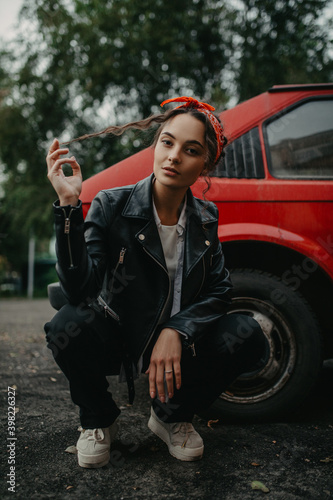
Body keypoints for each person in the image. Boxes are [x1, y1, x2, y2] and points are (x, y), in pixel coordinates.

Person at [44, 96, 265, 468]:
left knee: (246, 332)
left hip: (179, 347)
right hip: (120, 336)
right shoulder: (111, 205)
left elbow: (219, 289)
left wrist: (177, 330)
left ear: (204, 164)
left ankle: (170, 415)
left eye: (190, 149)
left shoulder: (205, 217)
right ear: (156, 144)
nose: (174, 156)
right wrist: (68, 208)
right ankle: (98, 419)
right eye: (167, 142)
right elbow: (79, 291)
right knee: (67, 324)